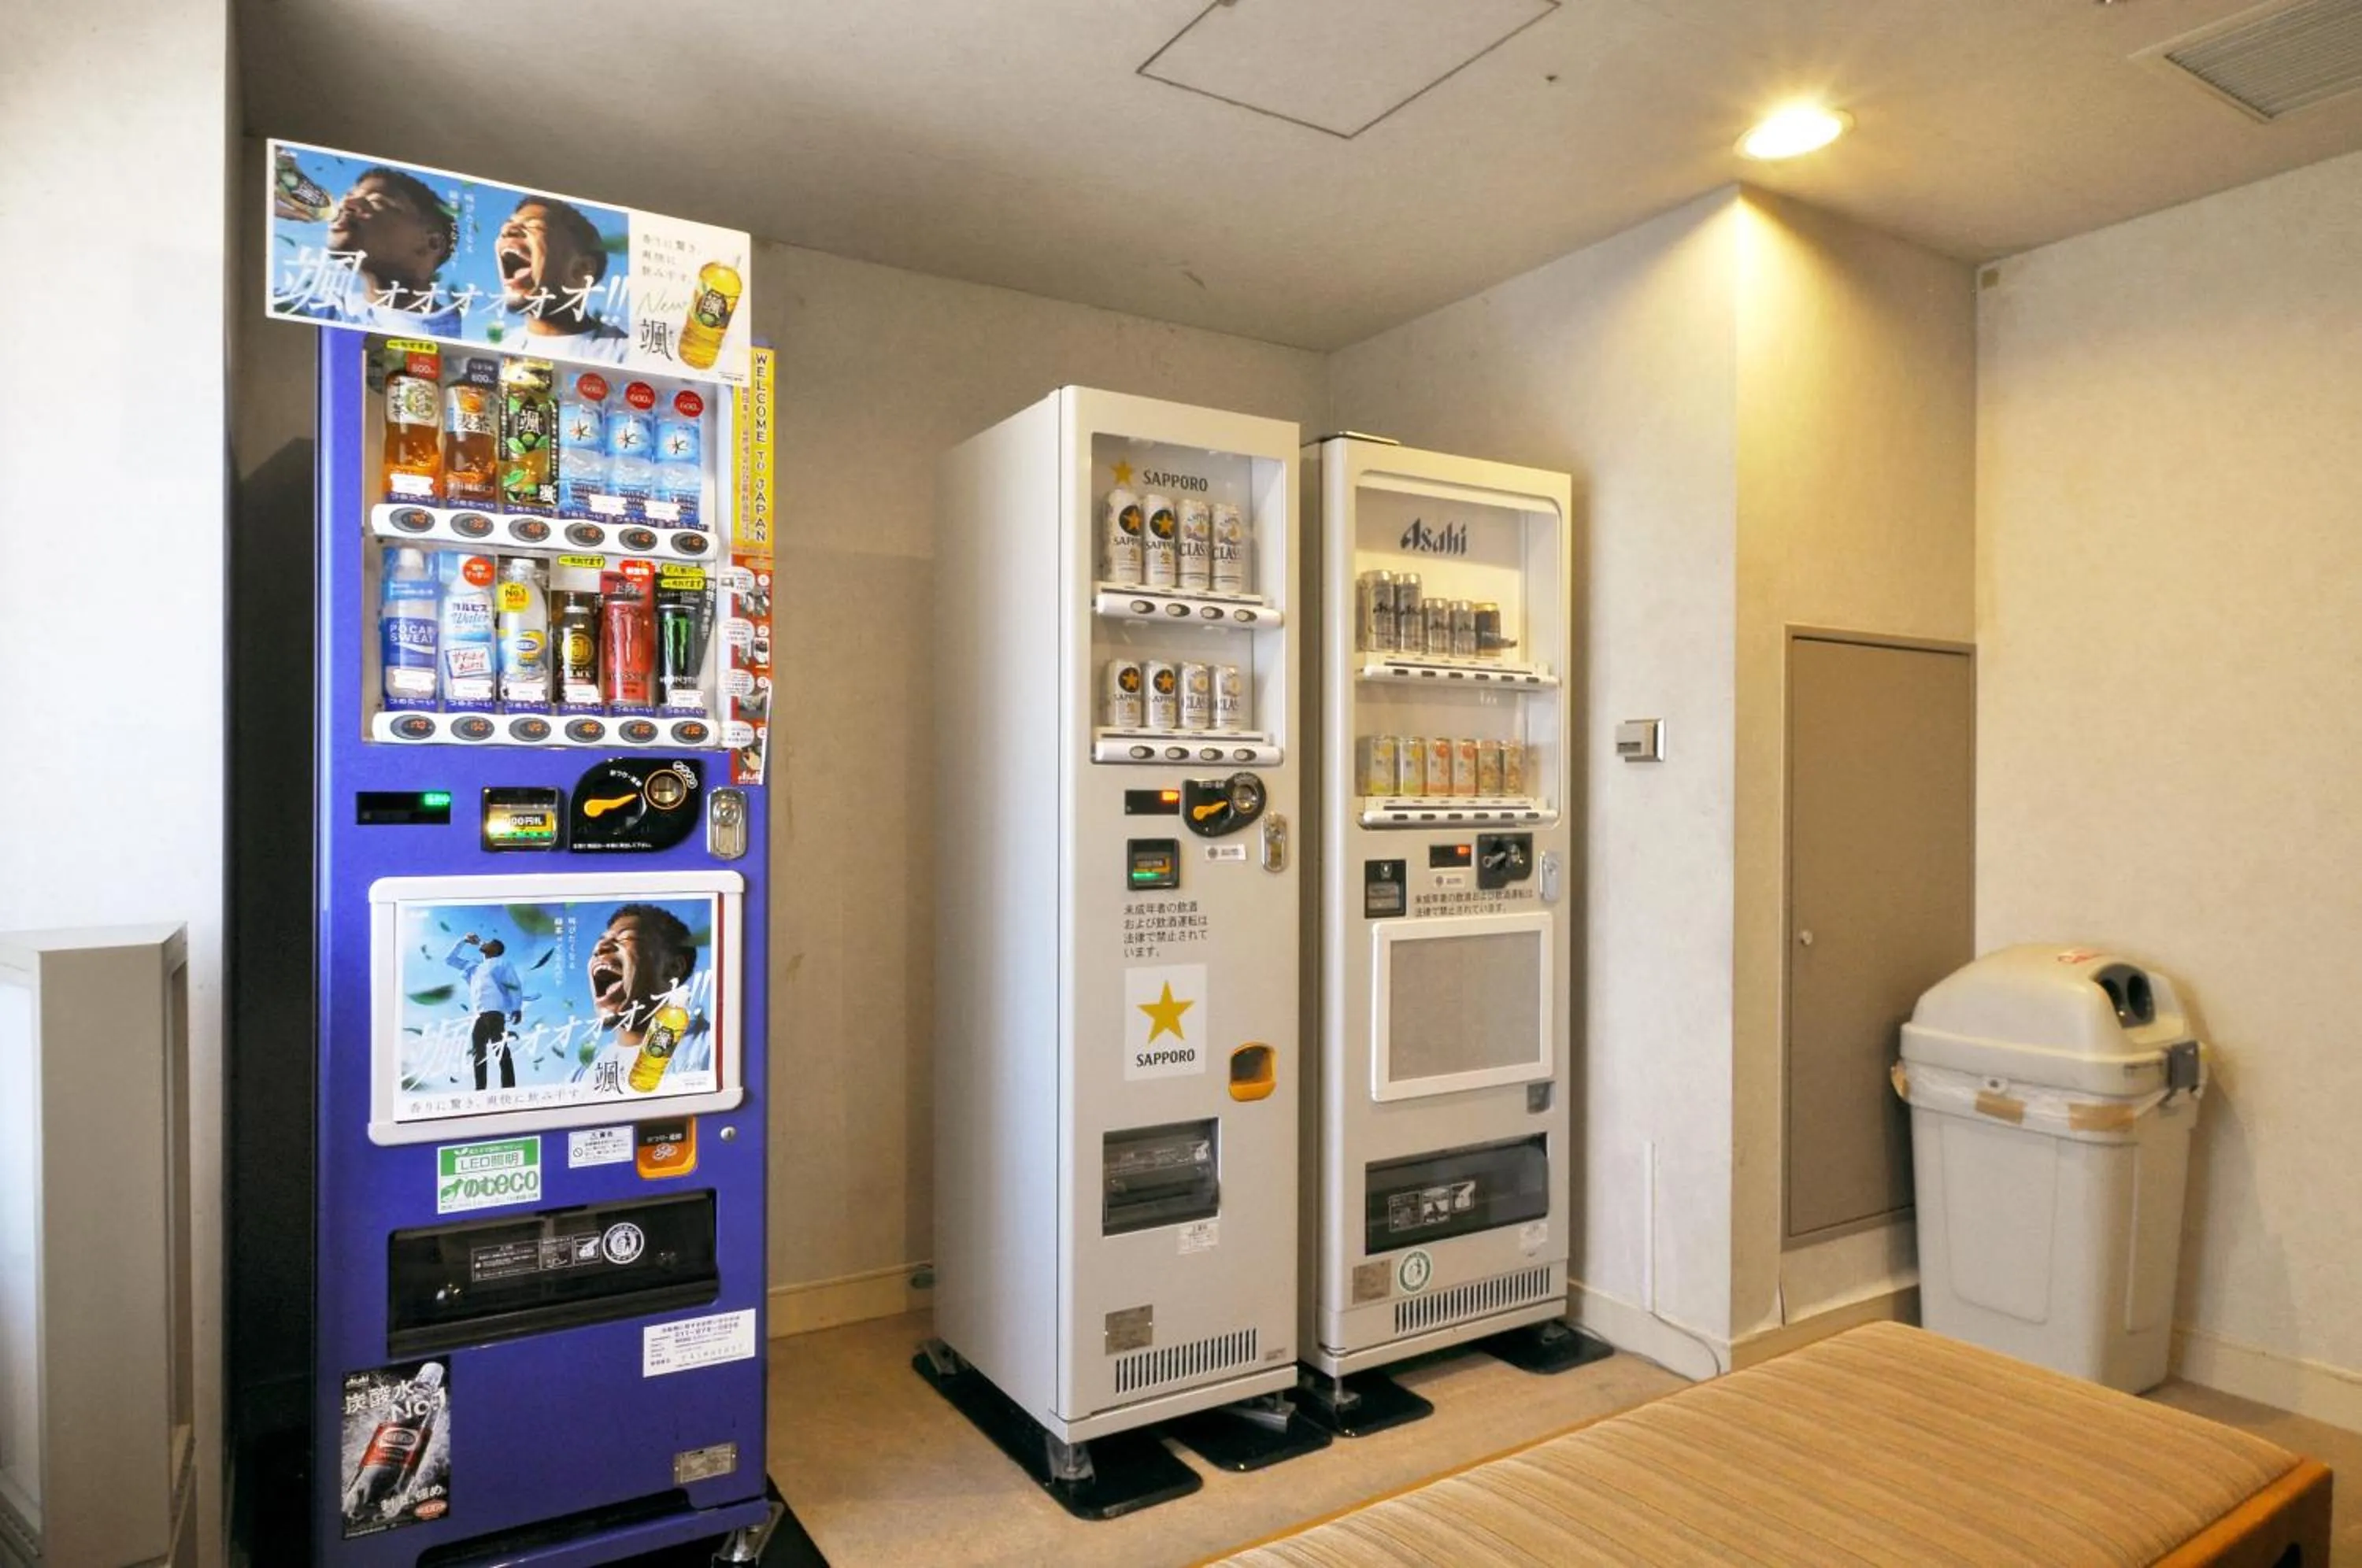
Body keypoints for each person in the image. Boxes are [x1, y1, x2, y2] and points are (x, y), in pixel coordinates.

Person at [297, 166, 463, 333]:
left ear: (433, 243)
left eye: (377, 201)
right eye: (348, 197)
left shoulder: (465, 332)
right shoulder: (311, 309)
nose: (345, 204)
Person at [493, 195, 630, 361]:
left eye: (533, 225)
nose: (507, 230)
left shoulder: (623, 353)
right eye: (507, 225)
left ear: (580, 270)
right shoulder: (500, 350)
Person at [579, 903, 702, 1087]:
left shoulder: (709, 1050)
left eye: (625, 938)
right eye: (601, 940)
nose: (599, 947)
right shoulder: (583, 1077)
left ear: (673, 967)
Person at [445, 933, 524, 1090]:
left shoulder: (502, 963)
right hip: (479, 1015)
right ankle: (480, 1089)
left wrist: (516, 1008)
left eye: (490, 942)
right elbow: (450, 960)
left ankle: (509, 1087)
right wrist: (464, 941)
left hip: (496, 1013)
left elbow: (514, 984)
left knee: (499, 1049)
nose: (485, 942)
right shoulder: (473, 967)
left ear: (495, 949)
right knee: (478, 1053)